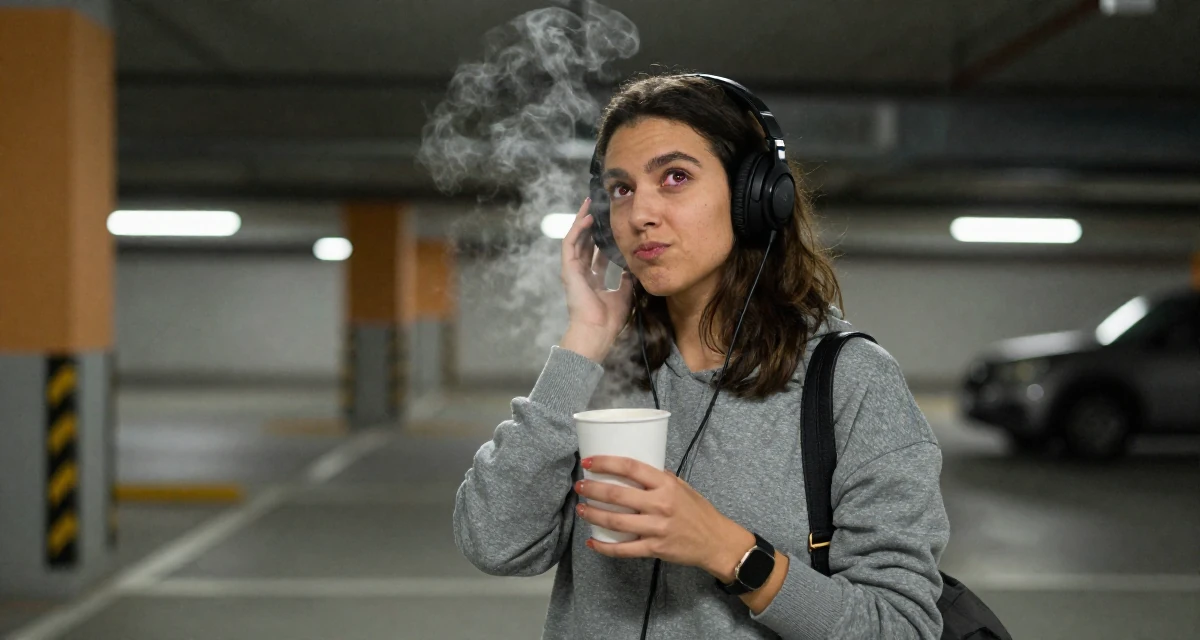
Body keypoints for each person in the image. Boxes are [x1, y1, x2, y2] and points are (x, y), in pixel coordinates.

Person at [452, 73, 950, 639]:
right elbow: (495, 543)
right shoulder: (601, 370)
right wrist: (584, 340)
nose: (640, 214)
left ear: (754, 197)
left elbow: (901, 627)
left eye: (675, 178)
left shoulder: (851, 382)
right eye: (621, 189)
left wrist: (727, 550)